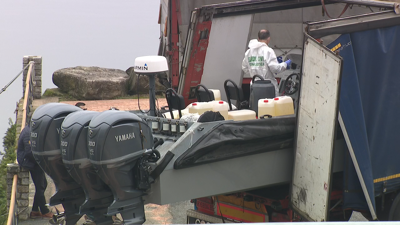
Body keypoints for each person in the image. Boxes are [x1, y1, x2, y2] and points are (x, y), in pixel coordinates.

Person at [17, 123, 53, 219]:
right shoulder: (28, 133)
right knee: (40, 186)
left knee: (43, 184)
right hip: (28, 161)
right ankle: (44, 211)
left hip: (32, 159)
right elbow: (29, 152)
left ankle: (35, 210)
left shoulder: (32, 130)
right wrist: (41, 162)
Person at [242, 29, 291, 96]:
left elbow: (244, 68)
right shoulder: (268, 51)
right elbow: (275, 69)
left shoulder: (249, 52)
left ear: (258, 38)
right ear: (269, 38)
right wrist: (285, 64)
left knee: (256, 105)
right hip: (268, 88)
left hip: (255, 86)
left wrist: (255, 71)